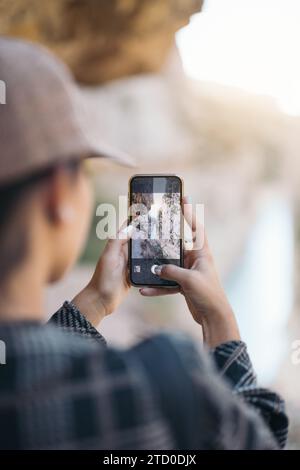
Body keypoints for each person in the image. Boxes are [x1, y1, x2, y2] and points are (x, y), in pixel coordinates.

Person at [0, 37, 288, 450]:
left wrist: (98, 300)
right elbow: (262, 438)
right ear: (58, 198)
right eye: (82, 172)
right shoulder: (163, 384)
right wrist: (219, 320)